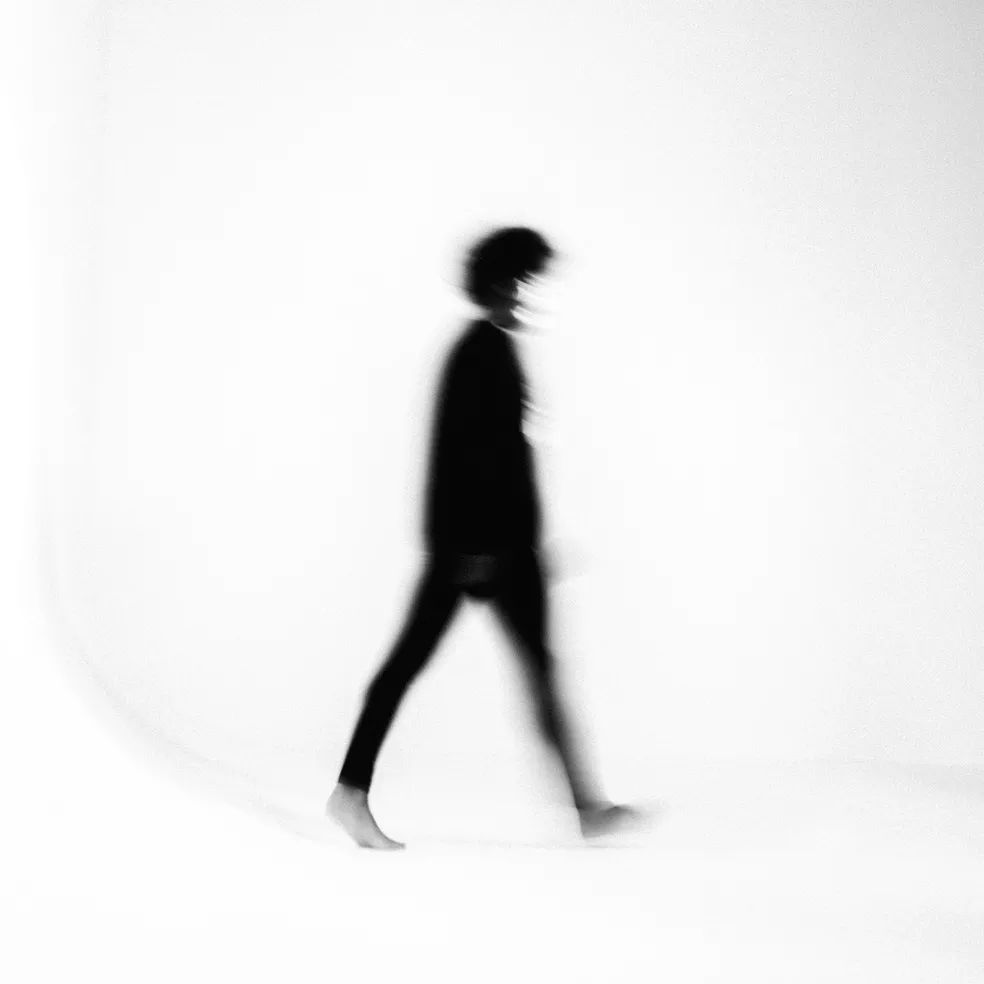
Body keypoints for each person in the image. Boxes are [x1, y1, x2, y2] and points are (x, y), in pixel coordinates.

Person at [327, 227, 632, 849]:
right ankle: (350, 795)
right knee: (410, 664)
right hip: (478, 550)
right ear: (494, 284)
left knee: (537, 673)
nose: (525, 296)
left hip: (503, 547)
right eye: (518, 283)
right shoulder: (478, 352)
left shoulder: (495, 348)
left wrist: (528, 541)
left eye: (528, 283)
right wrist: (469, 549)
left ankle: (587, 808)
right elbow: (462, 459)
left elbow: (507, 459)